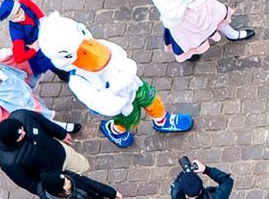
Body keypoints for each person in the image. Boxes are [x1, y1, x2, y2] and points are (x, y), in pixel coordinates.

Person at [37, 12, 192, 147]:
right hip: (122, 102)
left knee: (151, 98)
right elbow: (97, 101)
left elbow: (119, 54)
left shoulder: (99, 44)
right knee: (129, 120)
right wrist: (117, 102)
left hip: (133, 85)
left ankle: (162, 121)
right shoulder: (78, 80)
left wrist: (127, 72)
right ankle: (114, 130)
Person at [0, 109, 86, 196]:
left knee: (84, 167)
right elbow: (28, 183)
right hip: (54, 176)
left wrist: (62, 133)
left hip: (62, 152)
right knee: (76, 191)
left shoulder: (22, 115)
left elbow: (44, 122)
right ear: (12, 141)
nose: (23, 133)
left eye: (22, 129)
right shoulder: (8, 163)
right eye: (20, 135)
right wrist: (47, 193)